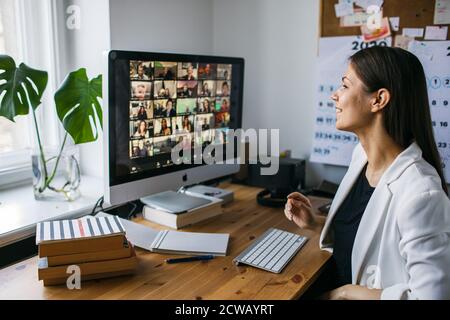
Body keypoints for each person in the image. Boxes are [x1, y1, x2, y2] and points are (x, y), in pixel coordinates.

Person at [284, 46, 450, 300]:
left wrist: (346, 292)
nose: (334, 95)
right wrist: (315, 224)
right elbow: (366, 243)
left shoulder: (421, 193)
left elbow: (431, 297)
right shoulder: (360, 156)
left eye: (345, 86)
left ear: (379, 100)